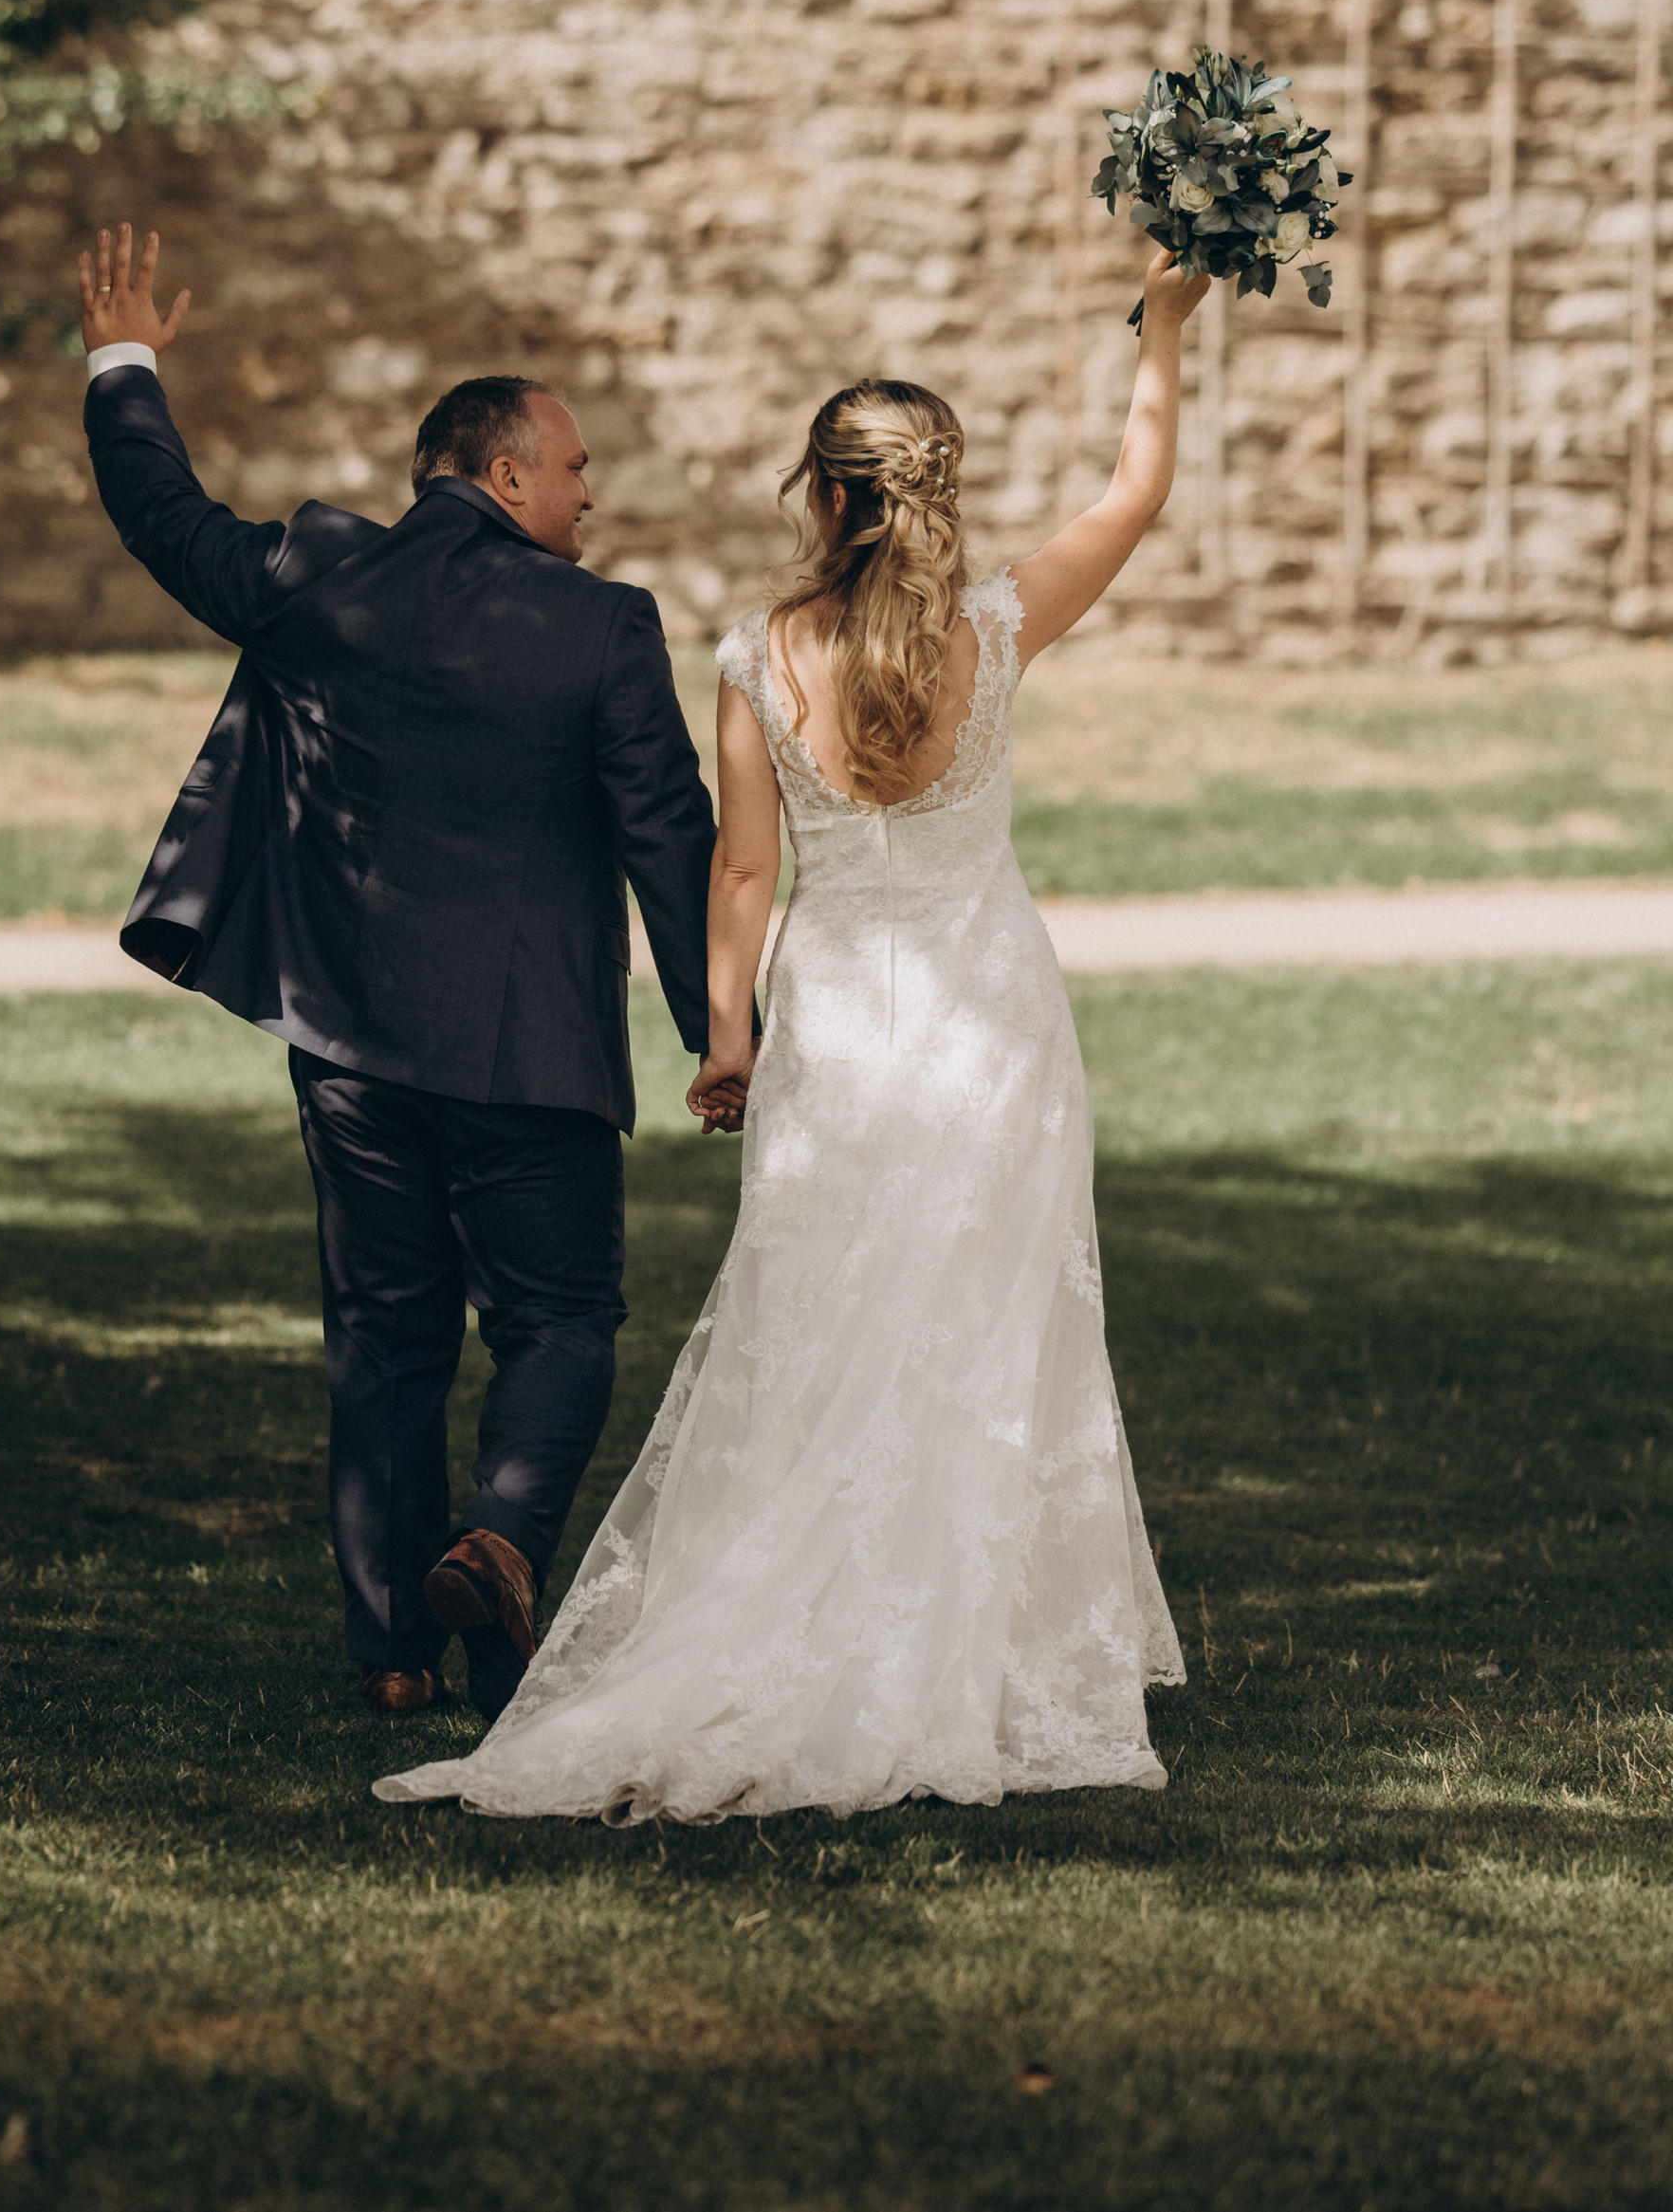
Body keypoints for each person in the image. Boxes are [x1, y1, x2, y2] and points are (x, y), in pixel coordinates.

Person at [377, 243, 1213, 1822]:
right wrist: (1161, 331)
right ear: (934, 493)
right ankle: (970, 1644)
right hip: (992, 1026)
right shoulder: (998, 623)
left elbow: (742, 868)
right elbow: (1134, 491)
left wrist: (726, 1039)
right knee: (982, 1328)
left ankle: (811, 1627)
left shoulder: (764, 654)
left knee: (816, 1324)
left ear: (823, 499)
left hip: (837, 1025)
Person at [75, 225, 719, 1724]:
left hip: (351, 1047)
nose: (588, 495)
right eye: (571, 471)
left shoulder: (322, 576)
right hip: (531, 1059)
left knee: (384, 1331)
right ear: (501, 475)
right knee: (559, 1322)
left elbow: (165, 518)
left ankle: (389, 1649)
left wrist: (126, 365)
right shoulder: (603, 627)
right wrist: (724, 1032)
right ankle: (497, 1538)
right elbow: (667, 842)